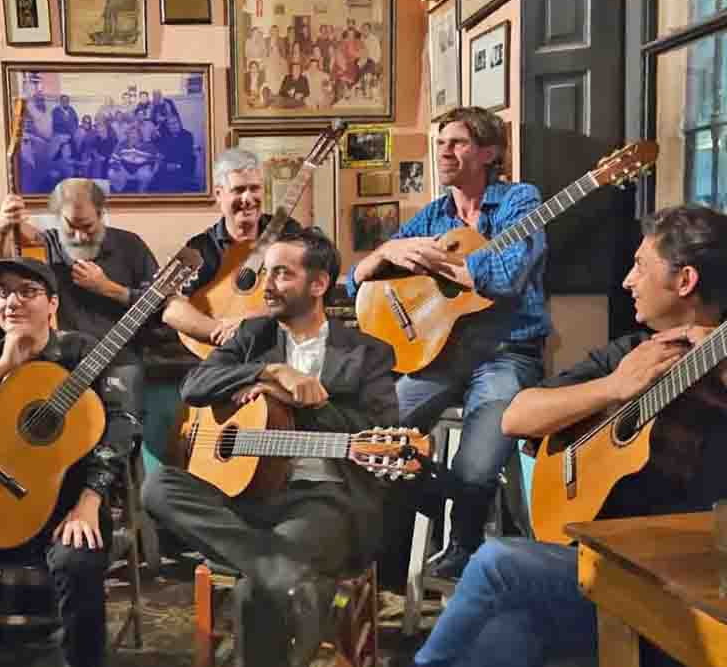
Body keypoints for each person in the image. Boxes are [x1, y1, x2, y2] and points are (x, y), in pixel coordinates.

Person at [412, 204, 727, 667]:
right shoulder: (635, 352)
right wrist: (614, 387)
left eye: (640, 266)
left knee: (498, 565)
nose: (626, 281)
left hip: (677, 597)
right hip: (605, 569)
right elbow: (515, 417)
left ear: (685, 282)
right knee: (505, 632)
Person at [143, 227, 401, 667]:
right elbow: (195, 385)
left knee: (254, 591)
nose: (267, 284)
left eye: (282, 274)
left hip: (319, 500)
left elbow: (378, 430)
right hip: (243, 495)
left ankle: (274, 574)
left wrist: (302, 403)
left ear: (317, 284)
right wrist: (268, 375)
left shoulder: (367, 353)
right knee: (157, 487)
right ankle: (285, 574)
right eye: (266, 272)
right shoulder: (253, 337)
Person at [347, 106, 551, 580]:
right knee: (370, 437)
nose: (444, 151)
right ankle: (444, 507)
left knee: (478, 467)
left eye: (457, 142)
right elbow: (361, 282)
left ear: (489, 152)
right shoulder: (435, 214)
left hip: (506, 355)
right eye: (441, 142)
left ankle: (464, 540)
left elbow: (504, 278)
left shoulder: (521, 202)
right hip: (438, 356)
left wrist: (446, 269)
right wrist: (386, 252)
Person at [0, 256, 134, 667]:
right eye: (2, 293)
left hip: (67, 506)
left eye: (28, 291)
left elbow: (122, 424)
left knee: (77, 563)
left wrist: (90, 501)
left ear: (53, 304)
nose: (12, 302)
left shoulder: (83, 354)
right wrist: (1, 367)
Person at [0, 177, 156, 430]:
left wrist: (110, 289)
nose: (80, 237)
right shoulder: (43, 246)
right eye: (71, 227)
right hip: (61, 362)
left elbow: (159, 308)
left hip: (116, 359)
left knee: (122, 430)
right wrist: (0, 229)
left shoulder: (130, 246)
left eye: (88, 226)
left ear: (102, 214)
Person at [161, 147, 301, 348]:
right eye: (238, 190)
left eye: (254, 188)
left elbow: (308, 288)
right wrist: (222, 333)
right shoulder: (202, 247)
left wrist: (249, 323)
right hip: (222, 355)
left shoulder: (287, 232)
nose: (248, 199)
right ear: (219, 194)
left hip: (280, 346)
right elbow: (170, 308)